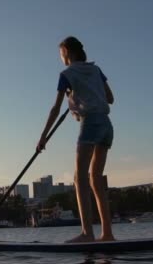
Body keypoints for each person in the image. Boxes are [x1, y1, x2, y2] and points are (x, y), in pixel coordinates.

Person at [37, 36, 115, 242]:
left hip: (90, 124)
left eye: (61, 53)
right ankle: (107, 234)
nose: (60, 57)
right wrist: (80, 95)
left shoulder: (66, 74)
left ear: (68, 53)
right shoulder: (96, 70)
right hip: (106, 125)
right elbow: (110, 98)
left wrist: (43, 137)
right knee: (96, 180)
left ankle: (87, 233)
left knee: (79, 178)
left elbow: (55, 109)